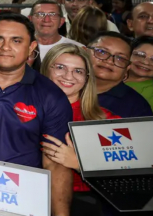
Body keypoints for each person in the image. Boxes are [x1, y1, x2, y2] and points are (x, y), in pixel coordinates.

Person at [0, 13, 73, 216]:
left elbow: (55, 163)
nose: (6, 48)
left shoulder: (50, 95)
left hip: (21, 198)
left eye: (16, 40)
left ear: (31, 47)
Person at [37, 44, 120, 216]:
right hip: (29, 191)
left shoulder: (105, 120)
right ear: (46, 69)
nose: (69, 76)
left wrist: (79, 163)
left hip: (84, 198)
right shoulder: (25, 109)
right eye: (60, 67)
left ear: (86, 78)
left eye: (78, 71)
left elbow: (123, 177)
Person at [87, 32, 153, 118]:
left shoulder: (137, 106)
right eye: (102, 52)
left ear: (127, 68)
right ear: (84, 51)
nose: (109, 61)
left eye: (120, 58)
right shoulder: (67, 85)